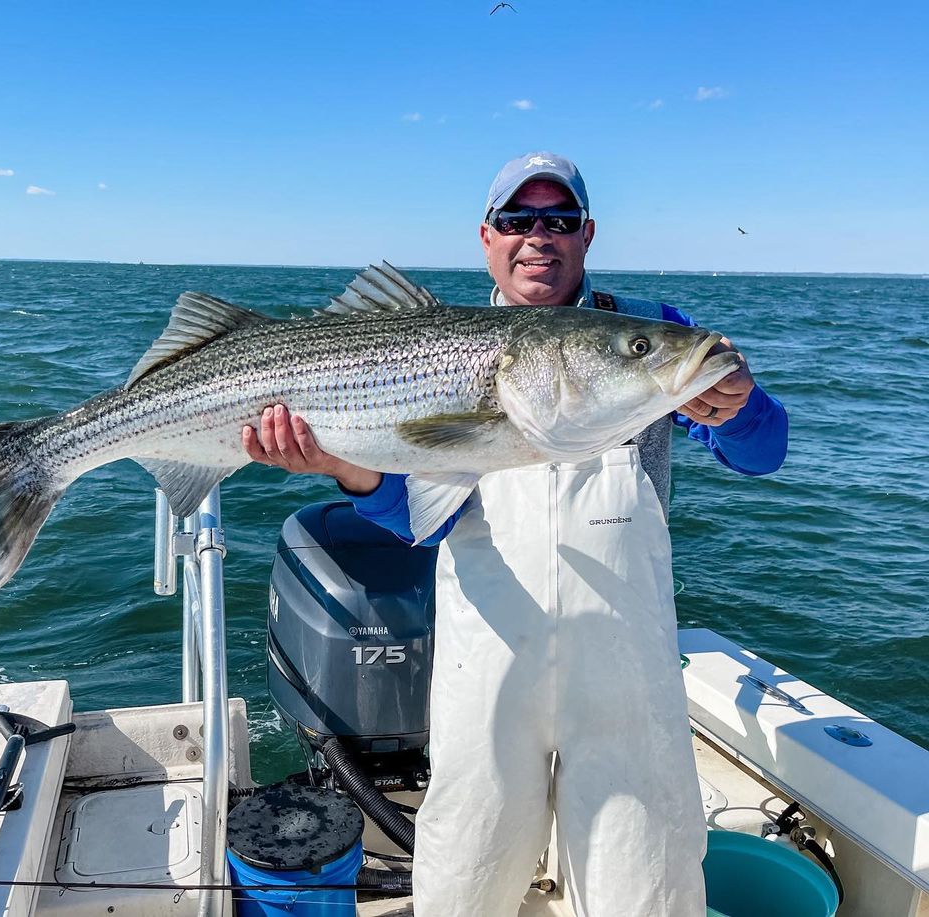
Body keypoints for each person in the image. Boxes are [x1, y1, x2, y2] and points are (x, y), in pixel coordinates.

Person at [241, 152, 788, 917]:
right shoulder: (438, 343)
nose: (540, 235)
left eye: (560, 220)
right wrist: (346, 466)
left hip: (627, 675)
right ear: (487, 236)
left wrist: (740, 404)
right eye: (518, 219)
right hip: (488, 666)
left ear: (588, 234)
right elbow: (419, 517)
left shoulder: (654, 336)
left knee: (649, 889)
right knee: (464, 883)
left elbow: (763, 451)